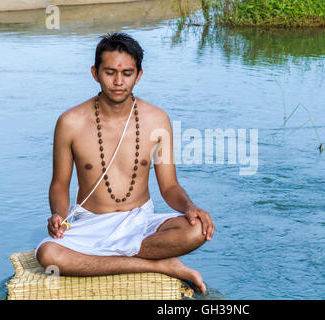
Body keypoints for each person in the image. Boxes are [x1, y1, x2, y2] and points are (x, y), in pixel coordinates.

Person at [35, 32, 214, 294]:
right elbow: (60, 185)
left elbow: (169, 186)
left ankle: (115, 258)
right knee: (49, 254)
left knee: (196, 230)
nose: (119, 82)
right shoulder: (70, 122)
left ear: (139, 75)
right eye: (110, 72)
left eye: (127, 73)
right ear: (95, 73)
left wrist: (190, 207)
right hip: (91, 223)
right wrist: (59, 216)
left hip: (140, 223)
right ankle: (161, 266)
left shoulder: (157, 119)